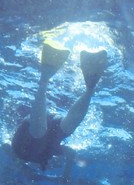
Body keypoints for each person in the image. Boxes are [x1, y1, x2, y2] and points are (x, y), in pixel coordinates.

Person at [11, 43, 107, 174]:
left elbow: (5, 145)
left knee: (38, 132)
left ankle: (44, 77)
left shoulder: (22, 156)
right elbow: (71, 151)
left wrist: (18, 163)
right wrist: (66, 172)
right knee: (68, 128)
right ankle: (91, 85)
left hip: (30, 130)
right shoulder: (52, 153)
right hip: (53, 131)